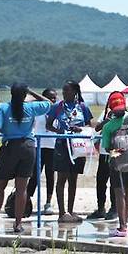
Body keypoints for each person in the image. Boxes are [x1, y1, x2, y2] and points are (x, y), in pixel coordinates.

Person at [0, 84, 51, 234]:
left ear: (11, 94)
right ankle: (18, 224)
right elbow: (49, 103)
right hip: (28, 147)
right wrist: (32, 91)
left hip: (10, 147)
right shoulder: (32, 107)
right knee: (22, 188)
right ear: (24, 95)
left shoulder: (4, 108)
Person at [46, 80, 93, 223]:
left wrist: (80, 129)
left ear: (74, 91)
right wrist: (60, 131)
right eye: (63, 90)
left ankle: (71, 211)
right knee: (62, 178)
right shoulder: (57, 107)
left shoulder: (83, 107)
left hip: (78, 146)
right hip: (62, 145)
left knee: (73, 179)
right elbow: (49, 125)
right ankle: (62, 213)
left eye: (67, 90)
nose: (64, 93)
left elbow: (89, 125)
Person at [100, 92, 128, 237]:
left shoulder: (108, 126)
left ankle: (122, 226)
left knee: (120, 194)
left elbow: (106, 148)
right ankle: (126, 224)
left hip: (116, 164)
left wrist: (118, 151)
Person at [26, 88, 58, 216]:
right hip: (38, 146)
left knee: (50, 175)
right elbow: (26, 101)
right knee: (34, 175)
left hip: (52, 146)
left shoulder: (56, 110)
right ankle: (26, 200)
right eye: (50, 97)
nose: (53, 100)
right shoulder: (36, 109)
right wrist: (35, 96)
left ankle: (48, 203)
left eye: (55, 98)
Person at [87, 98, 119, 220]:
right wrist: (108, 119)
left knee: (114, 181)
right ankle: (101, 208)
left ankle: (114, 208)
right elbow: (97, 128)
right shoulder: (106, 113)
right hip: (104, 152)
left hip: (117, 152)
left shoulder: (125, 115)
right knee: (101, 181)